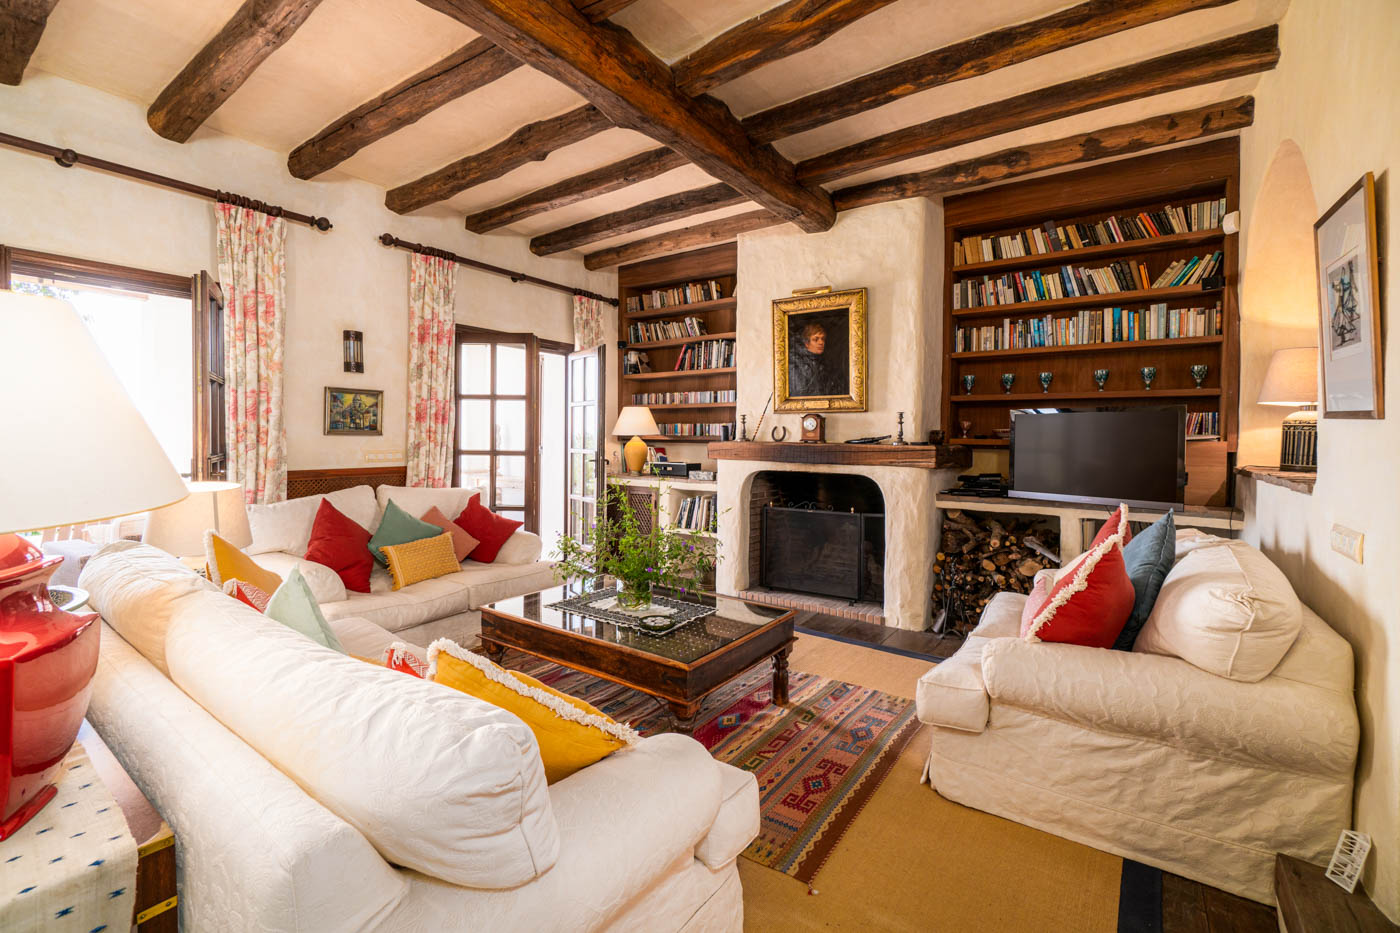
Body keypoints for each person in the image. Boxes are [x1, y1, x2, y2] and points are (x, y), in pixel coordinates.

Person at [788, 320, 844, 397]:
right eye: (816, 339)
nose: (821, 343)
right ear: (806, 343)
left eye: (823, 339)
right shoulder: (797, 364)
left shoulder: (826, 365)